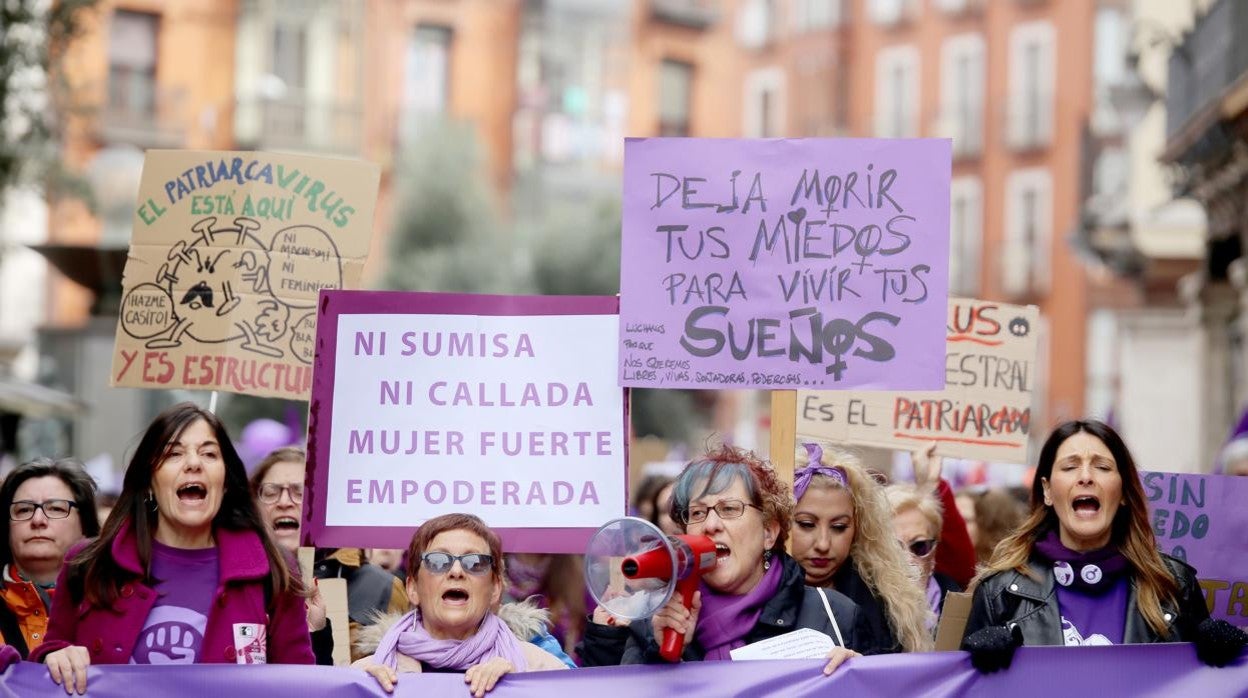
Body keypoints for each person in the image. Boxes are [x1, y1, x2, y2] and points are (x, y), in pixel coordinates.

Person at [32, 402, 313, 694]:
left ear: (226, 482)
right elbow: (47, 663)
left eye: (209, 453)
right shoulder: (88, 564)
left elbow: (301, 685)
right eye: (174, 453)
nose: (194, 463)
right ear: (149, 483)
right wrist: (55, 655)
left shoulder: (273, 570)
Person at [961, 419, 1247, 672]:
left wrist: (1224, 661)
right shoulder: (1000, 593)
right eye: (1070, 466)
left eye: (1102, 467)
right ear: (1048, 491)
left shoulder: (1173, 585)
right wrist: (979, 668)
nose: (1086, 476)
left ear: (1122, 492)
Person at [580, 445, 865, 674]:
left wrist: (858, 674)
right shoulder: (654, 619)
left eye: (729, 508)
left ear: (768, 532)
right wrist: (661, 656)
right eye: (698, 513)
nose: (711, 525)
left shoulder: (834, 614)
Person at [355, 513, 568, 697]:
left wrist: (523, 689)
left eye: (474, 562)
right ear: (413, 588)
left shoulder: (541, 669)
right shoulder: (367, 675)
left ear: (495, 588)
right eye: (438, 561)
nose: (456, 571)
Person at [789, 442, 933, 654]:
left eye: (839, 527)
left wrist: (861, 671)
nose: (823, 544)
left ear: (857, 528)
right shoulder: (747, 593)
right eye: (807, 524)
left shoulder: (890, 604)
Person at [0, 458, 100, 658]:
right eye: (24, 509)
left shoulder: (115, 605)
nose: (38, 520)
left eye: (56, 508)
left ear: (85, 526)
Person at [249, 446, 333, 665]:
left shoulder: (372, 585)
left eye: (299, 492)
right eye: (270, 493)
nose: (284, 502)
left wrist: (317, 633)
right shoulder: (236, 583)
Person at [886, 484, 961, 628]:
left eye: (919, 546)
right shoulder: (858, 607)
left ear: (934, 552)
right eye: (894, 548)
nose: (908, 559)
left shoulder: (959, 606)